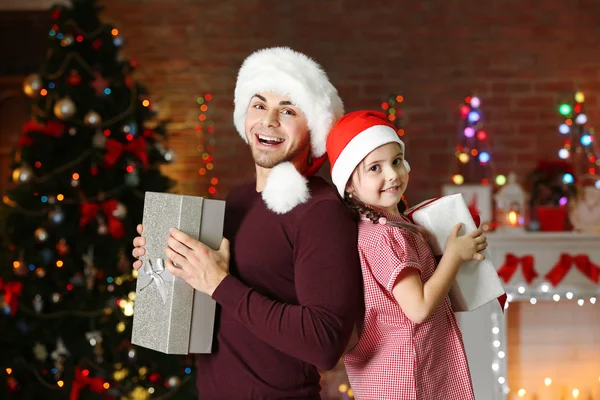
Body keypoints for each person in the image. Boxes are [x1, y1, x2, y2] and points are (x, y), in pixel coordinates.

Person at [132, 47, 362, 400]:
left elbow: (325, 343)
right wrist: (165, 267)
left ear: (313, 128)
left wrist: (218, 282)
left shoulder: (320, 211)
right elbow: (219, 314)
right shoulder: (236, 200)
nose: (268, 120)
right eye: (259, 105)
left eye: (287, 110)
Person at [326, 110, 486, 399]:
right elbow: (418, 307)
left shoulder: (384, 226)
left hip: (397, 370)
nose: (392, 175)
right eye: (375, 168)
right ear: (349, 183)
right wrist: (453, 255)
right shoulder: (386, 236)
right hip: (409, 375)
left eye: (396, 161)